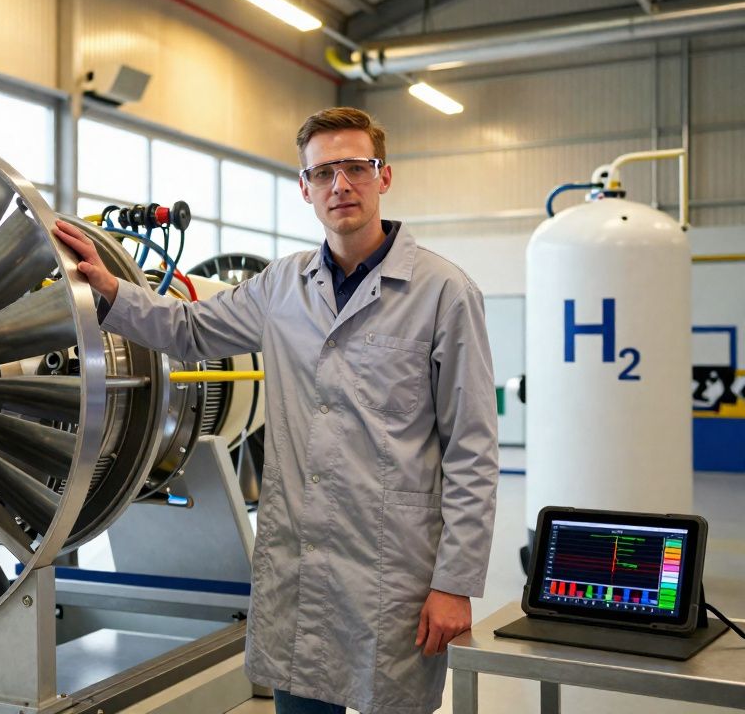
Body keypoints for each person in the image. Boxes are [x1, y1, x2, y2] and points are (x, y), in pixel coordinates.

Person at [53, 107, 499, 714]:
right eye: (323, 173)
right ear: (305, 188)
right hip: (301, 570)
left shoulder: (444, 292)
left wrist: (454, 584)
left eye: (355, 168)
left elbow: (472, 448)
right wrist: (109, 289)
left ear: (383, 177)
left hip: (392, 575)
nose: (340, 185)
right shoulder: (282, 285)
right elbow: (188, 328)